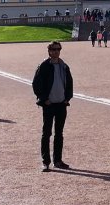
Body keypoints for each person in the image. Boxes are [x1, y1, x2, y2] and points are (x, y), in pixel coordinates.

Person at [32, 41, 74, 172]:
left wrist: (67, 98)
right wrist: (44, 99)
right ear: (49, 51)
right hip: (49, 105)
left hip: (61, 104)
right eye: (54, 49)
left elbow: (69, 84)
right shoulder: (44, 66)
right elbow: (36, 85)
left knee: (59, 134)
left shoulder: (64, 66)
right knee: (46, 133)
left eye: (58, 49)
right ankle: (46, 162)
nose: (56, 52)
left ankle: (58, 160)